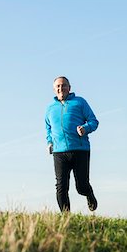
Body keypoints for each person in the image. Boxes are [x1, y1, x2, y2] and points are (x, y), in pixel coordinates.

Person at [45, 76, 99, 212]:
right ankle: (66, 218)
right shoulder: (50, 108)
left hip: (80, 150)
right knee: (61, 187)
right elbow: (48, 128)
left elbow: (94, 121)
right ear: (54, 90)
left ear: (69, 88)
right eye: (57, 86)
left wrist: (85, 128)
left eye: (63, 86)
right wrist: (49, 142)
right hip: (59, 152)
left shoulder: (79, 102)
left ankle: (89, 194)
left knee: (81, 186)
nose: (60, 88)